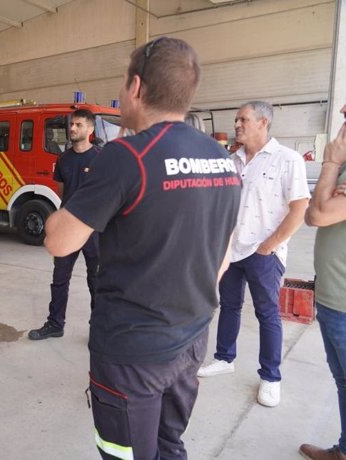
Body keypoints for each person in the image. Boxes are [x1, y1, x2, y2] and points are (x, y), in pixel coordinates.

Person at [44, 37, 241, 459]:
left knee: (126, 453)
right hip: (191, 340)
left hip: (133, 352)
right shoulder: (223, 159)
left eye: (121, 83)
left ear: (136, 87)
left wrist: (56, 214)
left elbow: (60, 242)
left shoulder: (126, 156)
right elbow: (222, 256)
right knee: (170, 445)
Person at [197, 100, 310, 408]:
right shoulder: (232, 160)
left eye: (243, 120)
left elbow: (299, 208)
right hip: (232, 250)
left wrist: (270, 245)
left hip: (264, 252)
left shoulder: (287, 160)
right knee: (229, 306)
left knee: (267, 314)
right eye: (236, 120)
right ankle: (224, 357)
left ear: (263, 122)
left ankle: (271, 377)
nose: (237, 125)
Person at [28, 109, 99, 340]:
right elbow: (62, 192)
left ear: (90, 129)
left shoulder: (101, 158)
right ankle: (55, 324)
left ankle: (99, 329)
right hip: (67, 229)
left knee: (97, 280)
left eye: (78, 125)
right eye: (72, 124)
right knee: (60, 278)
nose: (72, 128)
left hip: (93, 229)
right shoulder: (64, 158)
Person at [300, 102, 346, 460]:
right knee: (342, 379)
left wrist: (329, 163)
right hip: (333, 298)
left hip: (344, 304)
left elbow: (316, 215)